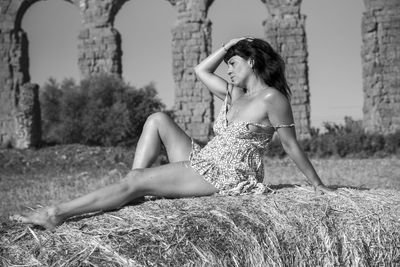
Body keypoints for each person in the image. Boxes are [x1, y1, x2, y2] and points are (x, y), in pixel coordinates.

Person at [10, 37, 332, 230]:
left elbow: (291, 146)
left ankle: (57, 213)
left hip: (226, 174)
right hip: (205, 159)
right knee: (157, 119)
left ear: (250, 62)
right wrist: (226, 46)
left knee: (137, 182)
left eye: (233, 63)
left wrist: (318, 186)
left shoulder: (272, 99)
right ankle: (134, 186)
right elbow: (200, 71)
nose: (228, 69)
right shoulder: (233, 93)